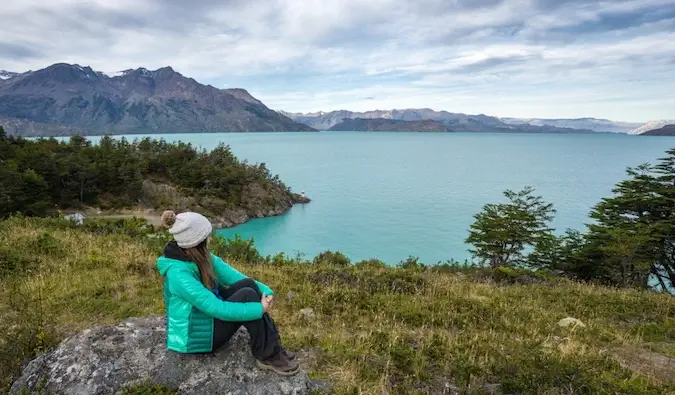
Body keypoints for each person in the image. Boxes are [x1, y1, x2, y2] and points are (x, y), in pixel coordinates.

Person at [156, 210, 299, 376]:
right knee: (248, 296)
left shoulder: (199, 256)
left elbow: (233, 276)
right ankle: (267, 355)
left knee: (249, 285)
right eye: (206, 236)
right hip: (197, 336)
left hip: (206, 320)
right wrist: (259, 308)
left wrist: (265, 290)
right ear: (197, 242)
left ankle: (272, 346)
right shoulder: (178, 275)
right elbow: (216, 308)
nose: (210, 238)